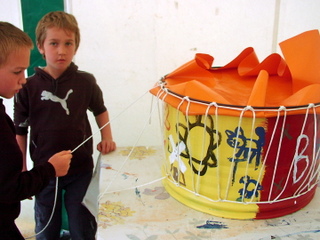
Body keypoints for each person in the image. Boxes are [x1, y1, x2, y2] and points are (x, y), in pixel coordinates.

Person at [14, 11, 116, 240]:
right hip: (44, 171)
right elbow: (20, 130)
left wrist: (106, 137)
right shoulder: (27, 87)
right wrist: (21, 169)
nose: (61, 50)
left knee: (82, 225)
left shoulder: (86, 81)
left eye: (68, 43)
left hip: (80, 169)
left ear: (76, 47)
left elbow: (100, 110)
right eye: (54, 43)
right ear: (40, 46)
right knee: (47, 228)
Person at [0, 21, 72, 240]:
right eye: (17, 71)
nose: (23, 79)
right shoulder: (29, 90)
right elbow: (8, 188)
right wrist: (49, 169)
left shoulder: (84, 82)